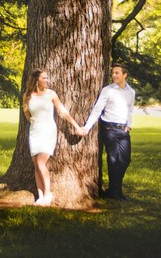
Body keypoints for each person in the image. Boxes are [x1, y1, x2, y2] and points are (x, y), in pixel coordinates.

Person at [23, 70, 84, 206]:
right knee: (36, 164)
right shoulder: (27, 96)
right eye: (44, 78)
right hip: (34, 131)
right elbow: (28, 115)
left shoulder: (51, 94)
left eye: (47, 78)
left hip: (48, 130)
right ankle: (40, 197)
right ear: (36, 80)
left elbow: (63, 111)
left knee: (40, 163)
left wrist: (76, 126)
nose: (47, 80)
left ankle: (48, 194)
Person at [77, 63, 136, 201]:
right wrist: (87, 127)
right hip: (108, 128)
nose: (114, 75)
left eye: (117, 73)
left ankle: (113, 190)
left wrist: (129, 125)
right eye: (113, 73)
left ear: (124, 75)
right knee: (114, 159)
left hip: (123, 131)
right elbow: (97, 109)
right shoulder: (108, 90)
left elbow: (130, 110)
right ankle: (116, 192)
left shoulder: (131, 92)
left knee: (125, 160)